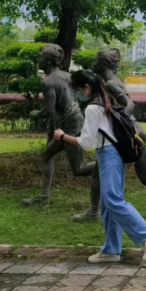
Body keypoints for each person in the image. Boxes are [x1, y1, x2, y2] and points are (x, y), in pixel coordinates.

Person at [55, 70, 146, 265]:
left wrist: (63, 136)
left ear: (86, 87)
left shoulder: (92, 108)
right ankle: (111, 250)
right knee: (108, 204)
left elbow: (86, 142)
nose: (78, 94)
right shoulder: (105, 102)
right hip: (113, 154)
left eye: (78, 90)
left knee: (113, 200)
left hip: (108, 155)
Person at [73, 48, 146, 223]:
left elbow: (129, 104)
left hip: (129, 134)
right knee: (142, 178)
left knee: (130, 176)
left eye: (96, 61)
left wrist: (120, 127)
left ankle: (94, 212)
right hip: (133, 133)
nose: (94, 64)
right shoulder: (110, 82)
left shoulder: (110, 84)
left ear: (104, 64)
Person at [22, 44, 95, 207]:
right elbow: (78, 97)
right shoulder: (68, 76)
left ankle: (110, 166)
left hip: (72, 126)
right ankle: (44, 197)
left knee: (78, 169)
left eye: (41, 57)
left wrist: (36, 114)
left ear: (48, 60)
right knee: (46, 156)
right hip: (71, 123)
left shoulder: (48, 82)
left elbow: (49, 110)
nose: (38, 59)